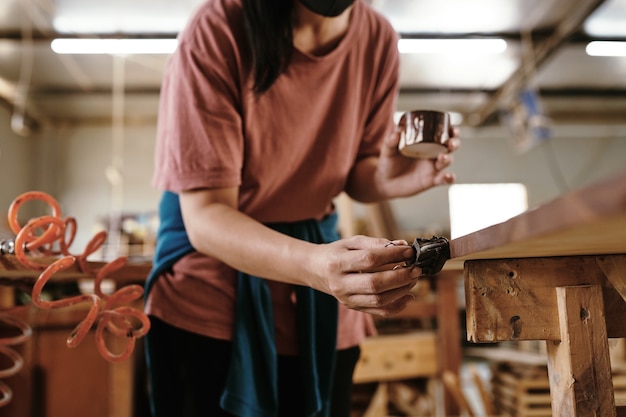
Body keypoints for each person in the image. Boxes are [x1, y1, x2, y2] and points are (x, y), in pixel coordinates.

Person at [144, 0, 460, 416]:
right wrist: (317, 266)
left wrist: (384, 178)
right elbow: (205, 217)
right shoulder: (219, 28)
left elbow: (355, 170)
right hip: (213, 303)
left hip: (316, 306)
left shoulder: (378, 39)